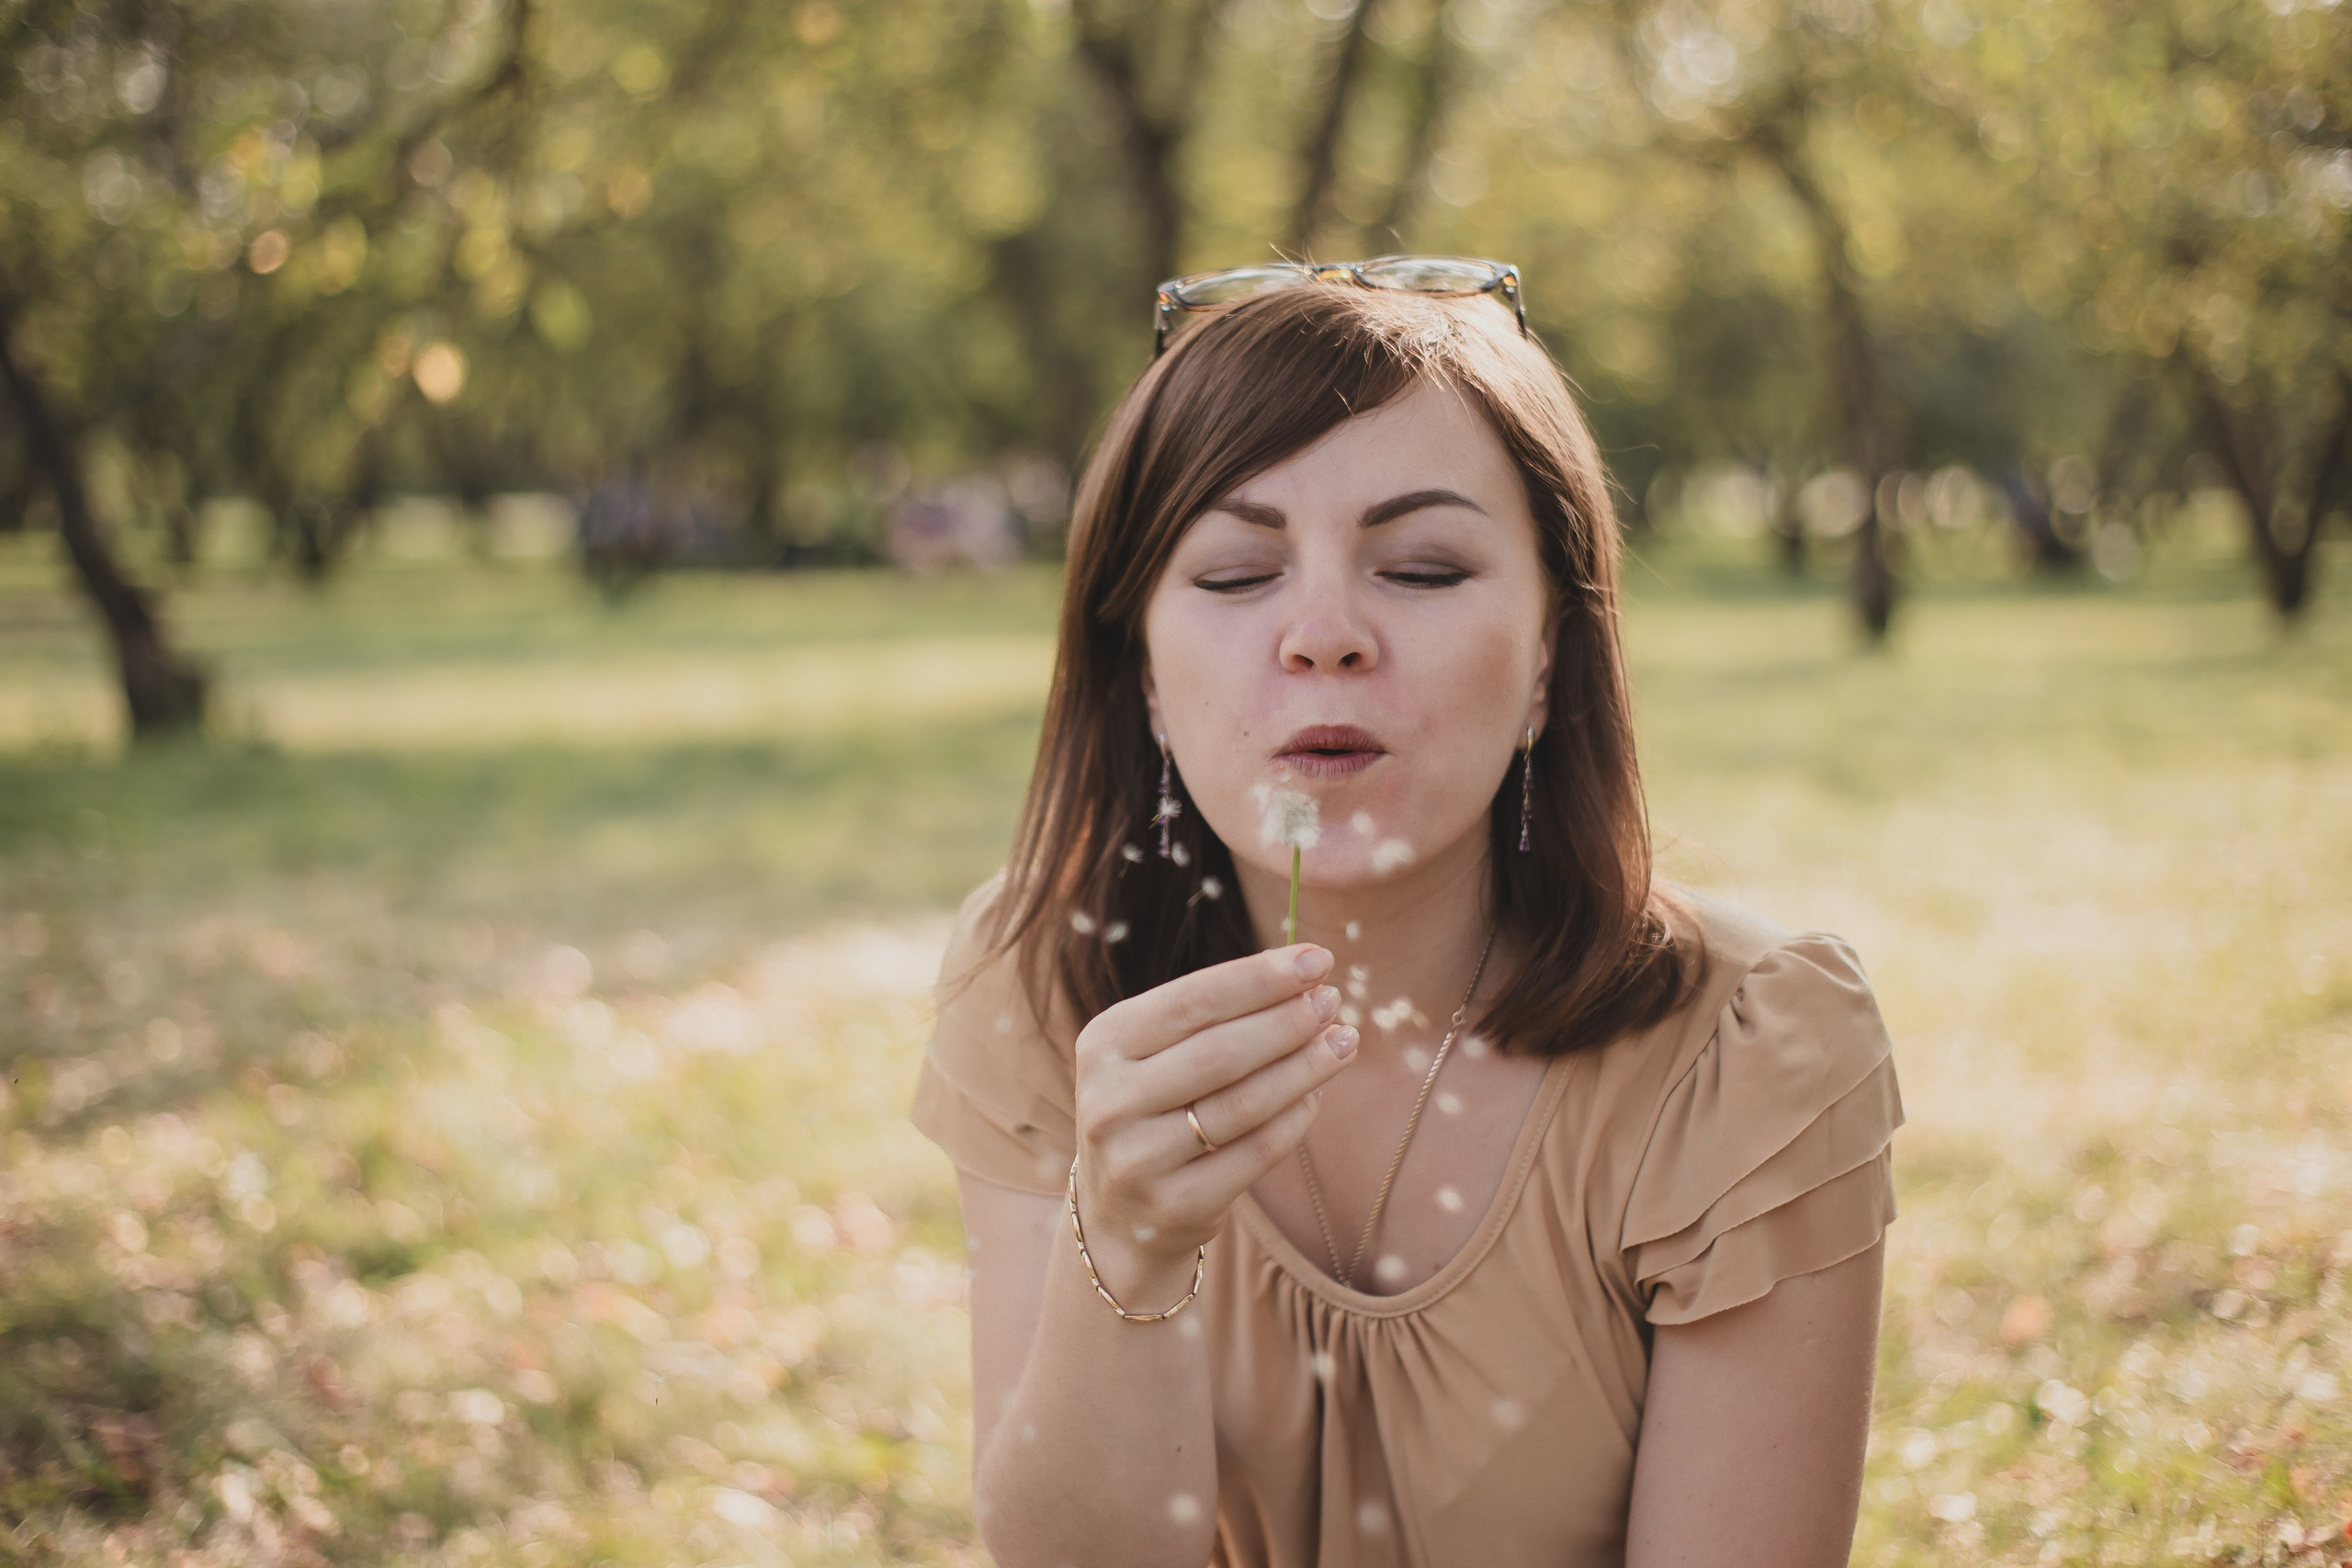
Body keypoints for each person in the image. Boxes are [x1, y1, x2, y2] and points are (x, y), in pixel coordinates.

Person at [908, 261, 1905, 1568]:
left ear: (1552, 657)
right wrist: (1130, 1261)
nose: (1324, 634)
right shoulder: (1046, 981)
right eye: (1232, 575)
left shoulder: (1756, 1052)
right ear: (1143, 678)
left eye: (1424, 567)